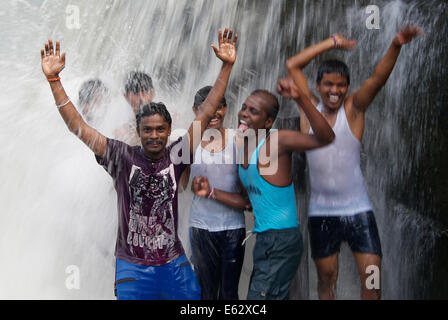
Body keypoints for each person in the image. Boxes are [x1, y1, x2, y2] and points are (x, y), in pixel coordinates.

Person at [40, 27, 238, 300]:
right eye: (147, 130)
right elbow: (78, 127)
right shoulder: (121, 156)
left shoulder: (178, 155)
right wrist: (54, 80)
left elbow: (206, 112)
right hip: (132, 265)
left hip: (173, 262)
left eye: (160, 129)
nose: (154, 135)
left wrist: (226, 67)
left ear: (169, 131)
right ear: (139, 130)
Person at [280, 24, 423, 300]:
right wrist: (332, 41)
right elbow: (292, 64)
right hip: (322, 213)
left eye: (341, 85)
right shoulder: (308, 108)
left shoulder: (354, 109)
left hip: (358, 210)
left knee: (372, 279)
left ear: (347, 87)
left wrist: (395, 44)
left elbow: (377, 79)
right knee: (326, 281)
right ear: (318, 86)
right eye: (329, 84)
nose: (335, 90)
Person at [194, 86, 335, 298]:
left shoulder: (277, 142)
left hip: (281, 241)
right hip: (264, 242)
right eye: (244, 108)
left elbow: (325, 137)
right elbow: (246, 202)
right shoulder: (244, 149)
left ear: (268, 122)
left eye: (253, 111)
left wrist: (301, 97)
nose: (244, 114)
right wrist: (211, 191)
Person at [188, 86, 250, 300]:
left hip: (232, 228)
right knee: (205, 293)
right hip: (200, 228)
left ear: (226, 108)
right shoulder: (189, 144)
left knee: (229, 293)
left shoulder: (238, 139)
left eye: (219, 107)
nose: (214, 114)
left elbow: (247, 200)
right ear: (196, 111)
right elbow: (179, 184)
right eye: (207, 109)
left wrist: (212, 192)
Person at [115, 71, 155, 146]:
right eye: (135, 92)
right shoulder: (122, 133)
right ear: (126, 96)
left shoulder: (171, 121)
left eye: (145, 91)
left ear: (152, 93)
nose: (141, 97)